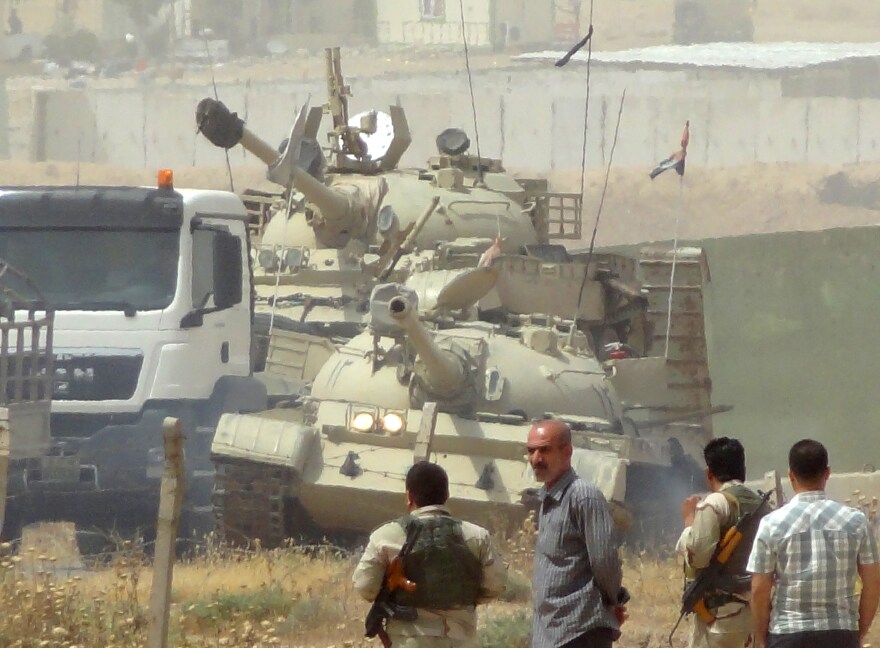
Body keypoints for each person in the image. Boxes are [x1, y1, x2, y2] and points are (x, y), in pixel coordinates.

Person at [352, 461, 507, 647]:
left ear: (409, 496)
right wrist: (462, 600)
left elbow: (366, 588)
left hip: (407, 640)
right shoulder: (478, 536)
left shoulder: (385, 536)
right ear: (446, 495)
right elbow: (496, 584)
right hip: (461, 640)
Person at [747, 439, 880, 648]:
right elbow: (873, 582)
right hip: (841, 633)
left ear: (791, 475)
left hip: (788, 633)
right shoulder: (856, 522)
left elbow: (759, 589)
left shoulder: (771, 524)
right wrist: (858, 632)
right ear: (827, 473)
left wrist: (763, 638)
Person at [527, 419, 627, 648]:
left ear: (567, 452)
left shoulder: (583, 496)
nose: (535, 459)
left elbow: (605, 561)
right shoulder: (548, 497)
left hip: (580, 630)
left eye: (544, 450)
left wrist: (613, 602)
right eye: (531, 451)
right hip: (551, 631)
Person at [676, 436, 770, 648]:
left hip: (722, 616)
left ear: (709, 473)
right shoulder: (763, 505)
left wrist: (689, 522)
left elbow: (697, 557)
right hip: (757, 614)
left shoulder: (715, 502)